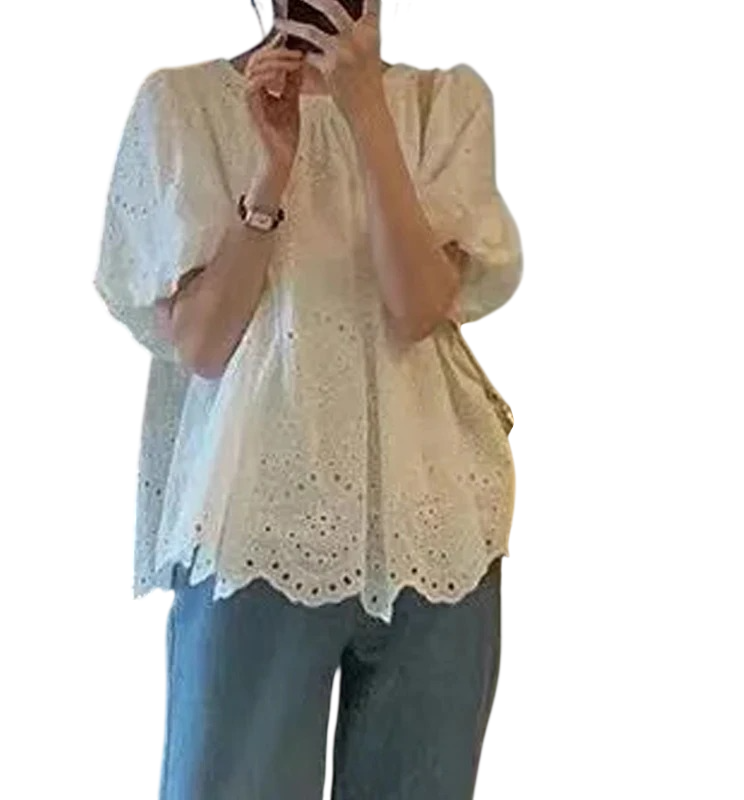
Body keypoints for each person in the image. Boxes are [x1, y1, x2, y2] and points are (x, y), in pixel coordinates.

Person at [93, 0, 523, 796]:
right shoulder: (184, 107)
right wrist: (271, 172)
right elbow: (203, 345)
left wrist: (367, 113)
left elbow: (417, 307)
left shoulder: (443, 104)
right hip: (256, 524)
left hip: (436, 531)